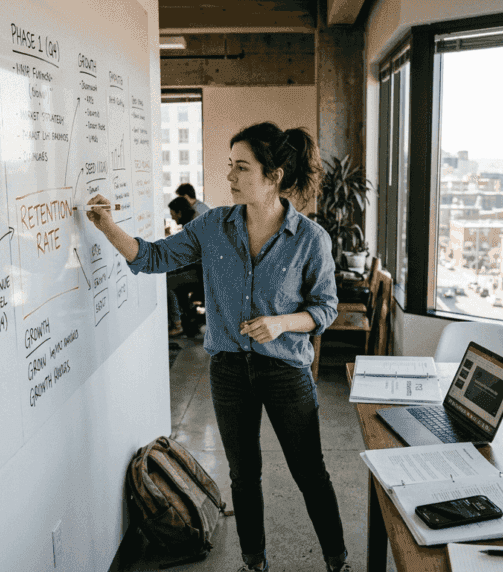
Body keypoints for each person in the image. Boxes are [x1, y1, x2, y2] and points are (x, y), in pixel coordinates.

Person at [86, 122, 349, 572]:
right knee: (244, 478)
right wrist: (107, 225)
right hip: (228, 371)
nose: (229, 177)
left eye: (241, 168)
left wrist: (282, 322)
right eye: (230, 166)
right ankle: (254, 563)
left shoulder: (310, 239)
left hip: (286, 372)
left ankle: (337, 562)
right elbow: (152, 257)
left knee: (310, 474)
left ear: (275, 176)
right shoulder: (213, 226)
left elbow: (325, 309)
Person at [166, 196, 200, 336]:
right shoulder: (195, 220)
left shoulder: (193, 225)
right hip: (201, 269)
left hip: (201, 272)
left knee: (167, 282)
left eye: (173, 216)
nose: (173, 219)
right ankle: (189, 315)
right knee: (175, 279)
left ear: (179, 212)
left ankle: (177, 324)